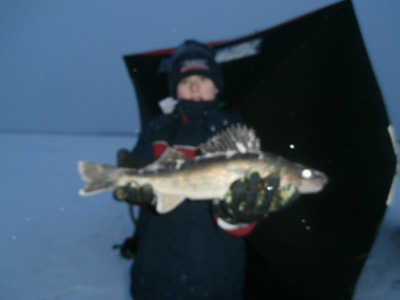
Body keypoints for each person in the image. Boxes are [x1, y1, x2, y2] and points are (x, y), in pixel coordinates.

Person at [113, 40, 298, 300]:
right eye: (185, 80)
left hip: (213, 275)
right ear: (175, 88)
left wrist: (238, 216)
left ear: (216, 86)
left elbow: (244, 220)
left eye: (202, 77)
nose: (194, 85)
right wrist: (133, 188)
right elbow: (139, 185)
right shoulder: (157, 129)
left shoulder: (235, 135)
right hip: (154, 272)